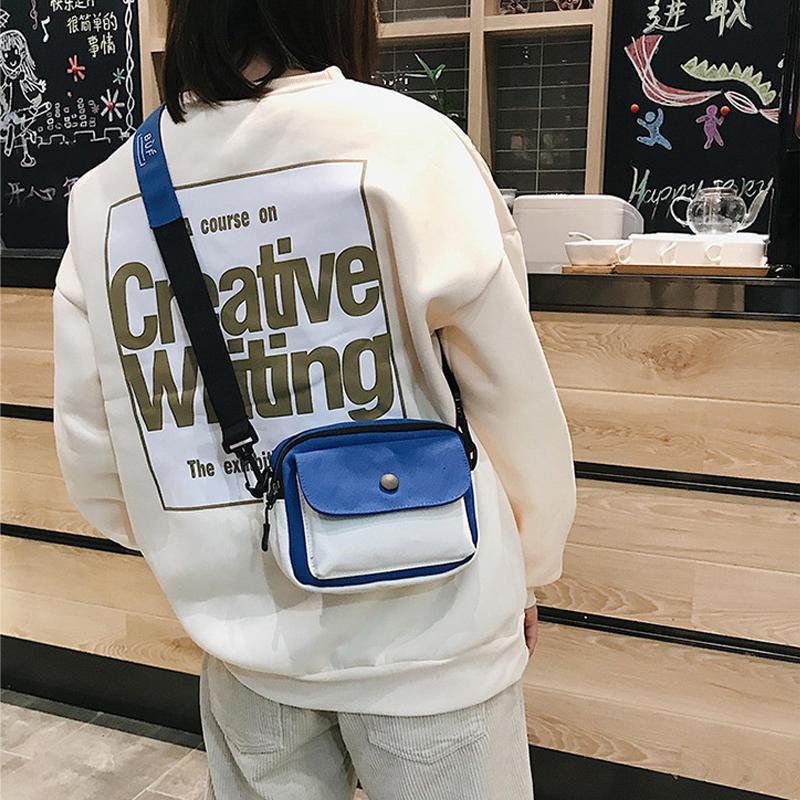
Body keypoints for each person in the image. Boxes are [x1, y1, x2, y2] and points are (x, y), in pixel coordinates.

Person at [53, 1, 576, 797]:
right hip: (433, 631)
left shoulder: (106, 193)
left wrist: (204, 545)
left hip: (246, 647)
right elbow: (510, 397)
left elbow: (94, 452)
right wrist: (530, 571)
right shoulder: (407, 144)